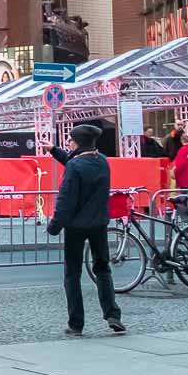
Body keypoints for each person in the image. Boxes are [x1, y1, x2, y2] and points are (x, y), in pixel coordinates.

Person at [48, 124, 124, 336]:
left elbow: (66, 200)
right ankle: (113, 314)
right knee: (103, 269)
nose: (69, 144)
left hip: (76, 227)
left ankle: (76, 322)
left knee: (72, 274)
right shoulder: (102, 162)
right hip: (99, 224)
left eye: (71, 141)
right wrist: (54, 150)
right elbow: (75, 162)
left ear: (79, 143)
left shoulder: (75, 166)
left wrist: (54, 226)